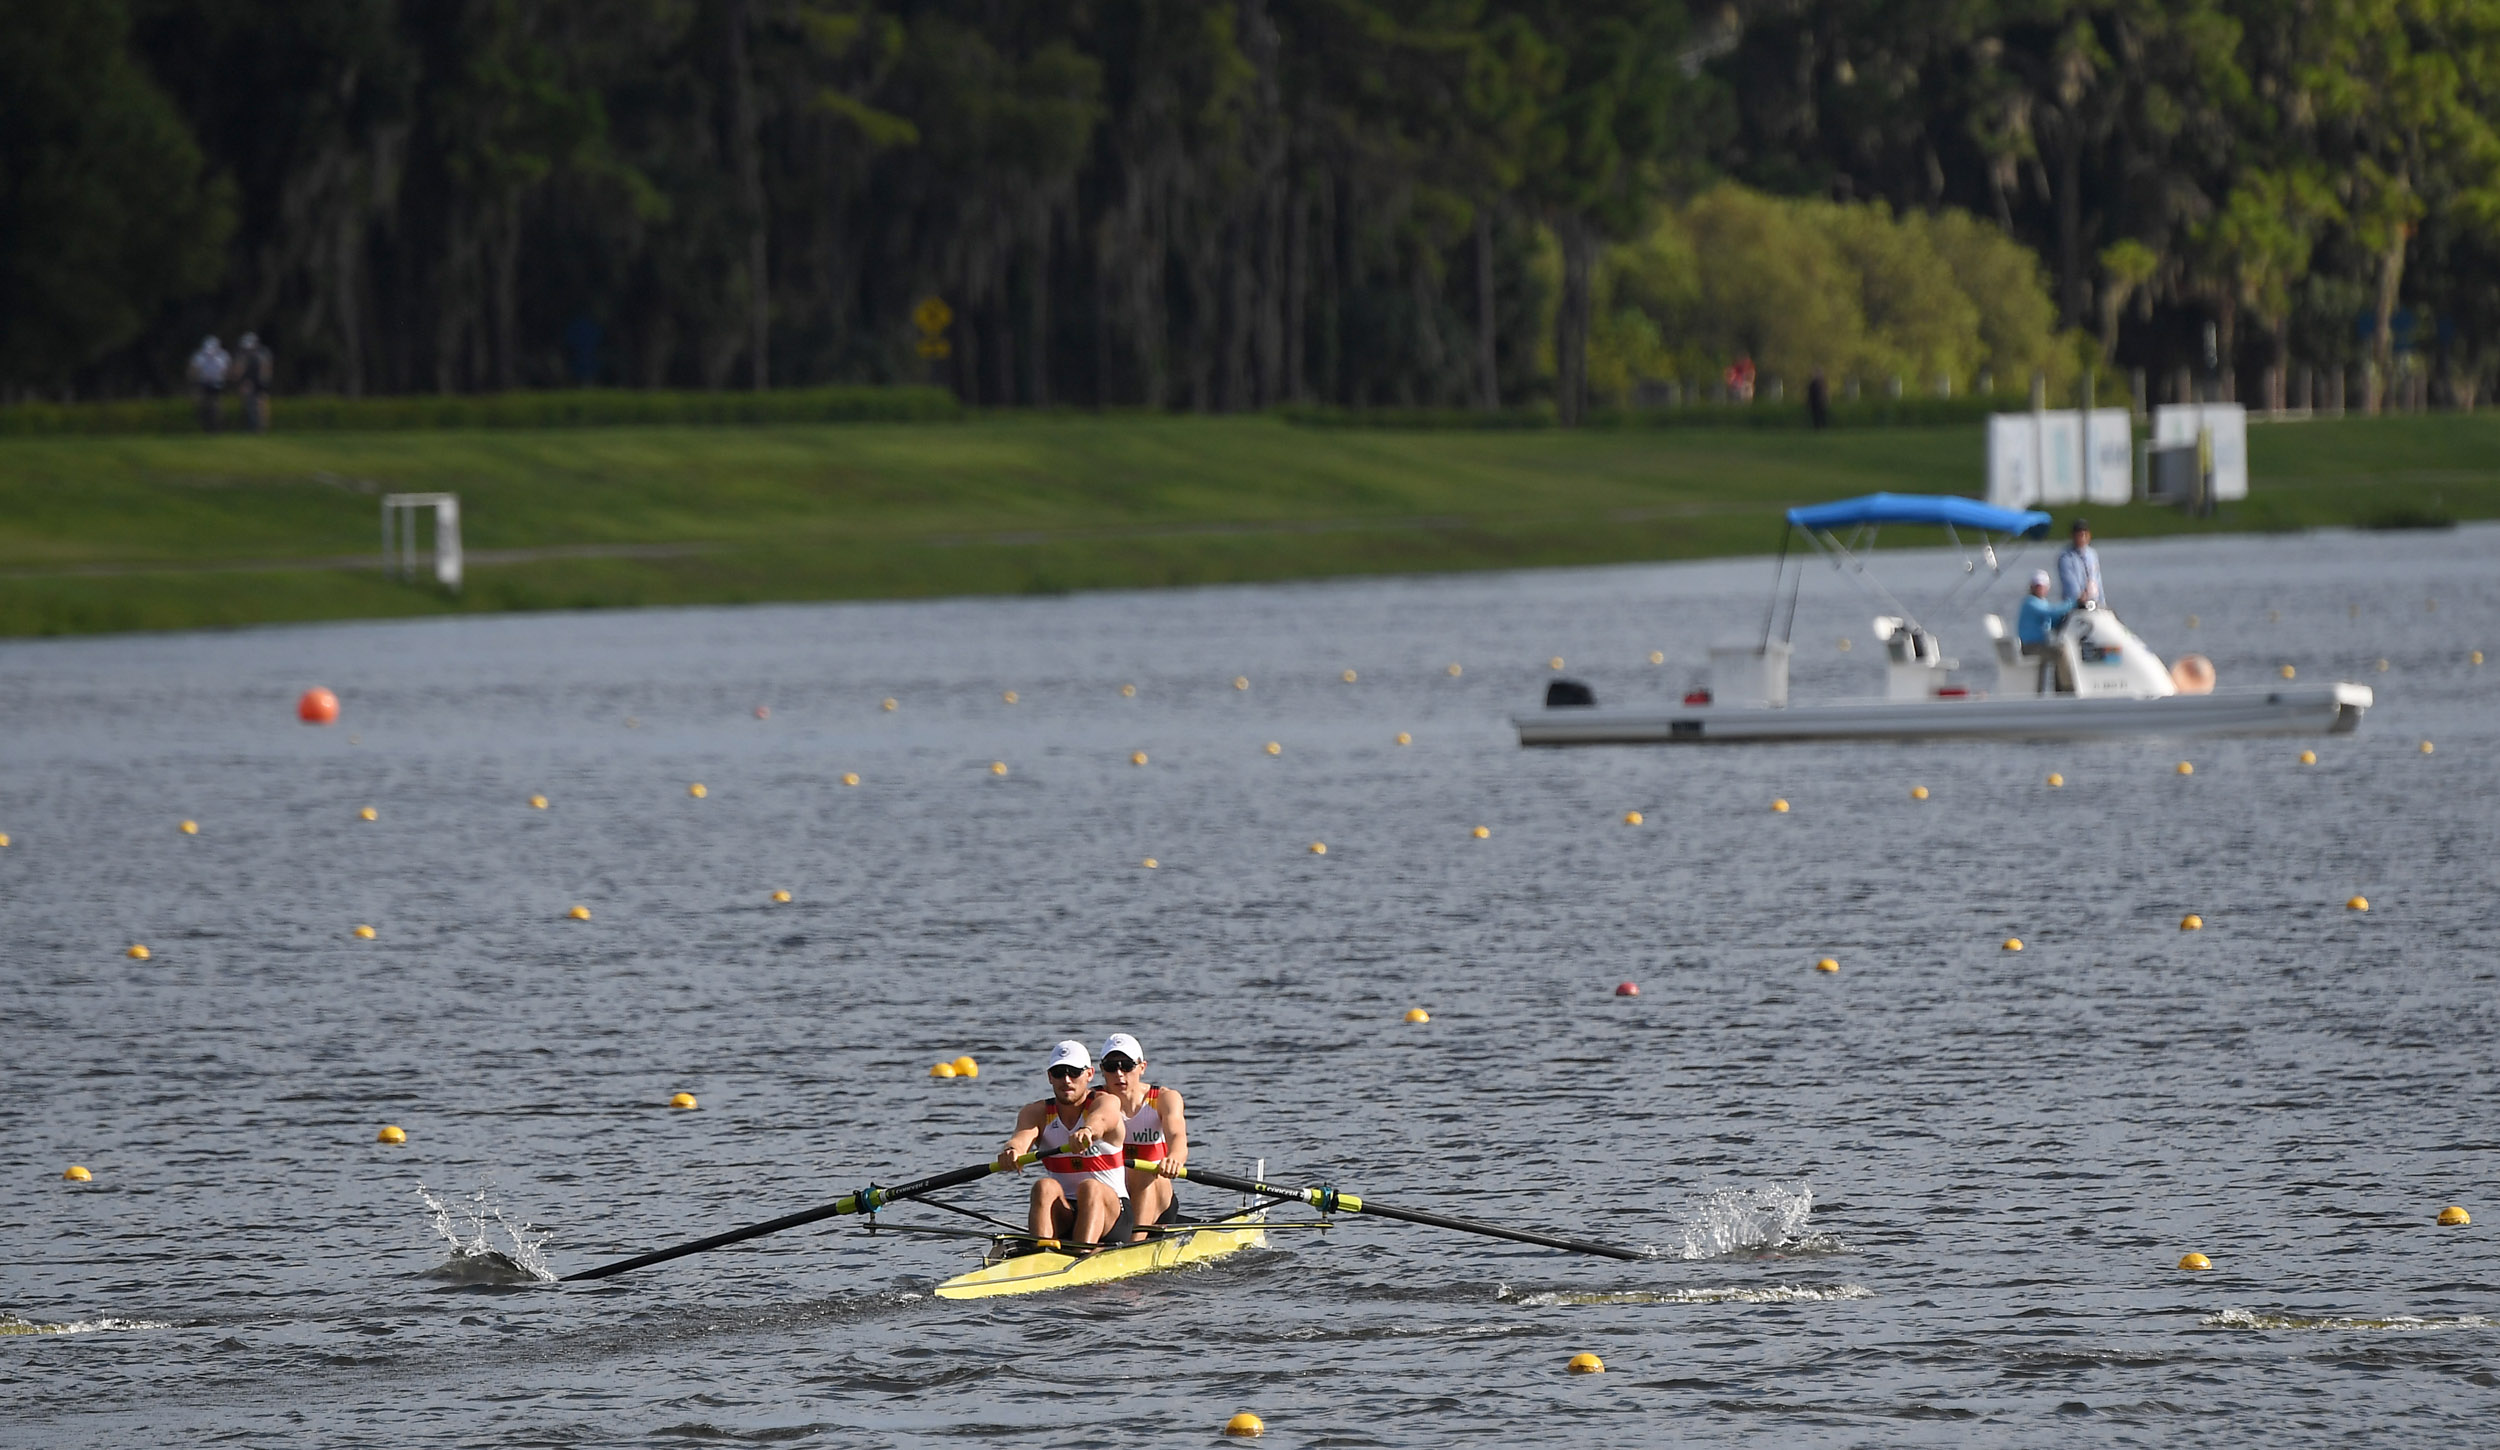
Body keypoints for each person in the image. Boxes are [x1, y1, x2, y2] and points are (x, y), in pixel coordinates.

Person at [996, 1039, 1128, 1249]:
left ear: (1090, 1074)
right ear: (1050, 1077)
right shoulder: (1036, 1112)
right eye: (1058, 1072)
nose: (1066, 1080)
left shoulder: (1106, 1102)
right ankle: (1040, 1254)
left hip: (1112, 1215)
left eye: (1074, 1072)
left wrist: (1087, 1131)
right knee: (1044, 1186)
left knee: (1090, 1187)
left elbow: (1102, 1119)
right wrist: (1011, 1151)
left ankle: (1082, 1252)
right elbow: (1021, 1138)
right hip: (1066, 1210)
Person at [1098, 1033, 1187, 1238]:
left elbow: (1177, 1137)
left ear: (1142, 1067)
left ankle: (1134, 1242)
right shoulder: (1095, 1101)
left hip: (1157, 1195)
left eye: (1126, 1065)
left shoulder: (1164, 1098)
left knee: (1142, 1168)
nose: (1119, 1073)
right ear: (1102, 1070)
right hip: (1117, 1195)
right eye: (1111, 1067)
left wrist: (1174, 1158)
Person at [2016, 569, 2076, 692]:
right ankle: (2067, 688)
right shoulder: (2030, 603)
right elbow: (2052, 611)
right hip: (2030, 647)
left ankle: (2059, 686)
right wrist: (2073, 603)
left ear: (2047, 587)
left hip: (2039, 645)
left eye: (2042, 586)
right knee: (2060, 652)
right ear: (2031, 587)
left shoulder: (2042, 603)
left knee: (2060, 650)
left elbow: (2052, 620)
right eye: (2037, 586)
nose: (2039, 589)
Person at [186, 335, 231, 432]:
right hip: (203, 383)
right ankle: (206, 425)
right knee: (202, 404)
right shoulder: (199, 356)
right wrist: (194, 383)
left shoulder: (223, 356)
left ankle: (218, 425)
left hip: (217, 383)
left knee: (216, 404)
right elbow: (193, 370)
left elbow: (226, 371)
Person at [2057, 518, 2103, 607]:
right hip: (2075, 604)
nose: (2083, 537)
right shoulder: (2066, 557)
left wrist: (2102, 602)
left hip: (2094, 603)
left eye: (2085, 534)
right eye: (2080, 535)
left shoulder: (2092, 554)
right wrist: (2081, 599)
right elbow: (2070, 584)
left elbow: (2097, 580)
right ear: (2073, 536)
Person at [235, 333, 275, 432]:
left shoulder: (263, 354)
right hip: (249, 383)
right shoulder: (244, 355)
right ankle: (252, 426)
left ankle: (262, 427)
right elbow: (241, 370)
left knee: (261, 405)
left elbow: (265, 370)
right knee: (249, 405)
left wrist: (263, 383)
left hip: (260, 383)